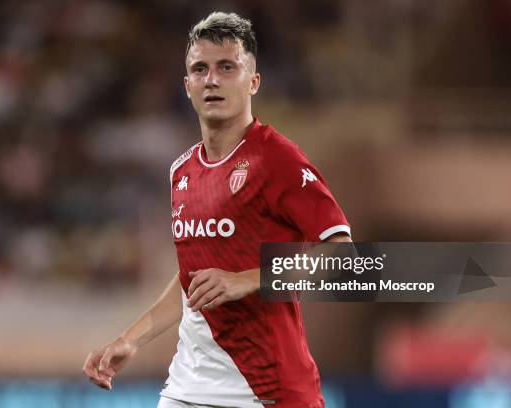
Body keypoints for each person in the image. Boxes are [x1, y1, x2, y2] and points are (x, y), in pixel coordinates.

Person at [83, 11, 351, 408]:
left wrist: (248, 278)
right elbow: (192, 280)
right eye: (200, 69)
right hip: (187, 389)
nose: (212, 79)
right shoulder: (181, 171)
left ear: (253, 81)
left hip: (269, 390)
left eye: (227, 67)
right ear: (187, 85)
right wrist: (129, 339)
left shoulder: (277, 159)